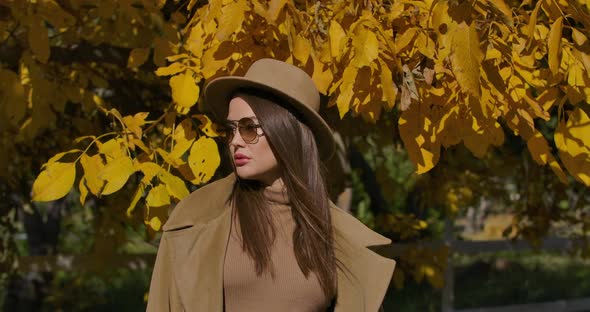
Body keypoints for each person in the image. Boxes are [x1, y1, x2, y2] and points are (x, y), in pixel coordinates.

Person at [146, 58, 396, 312]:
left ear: (287, 132)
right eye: (230, 130)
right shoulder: (195, 220)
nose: (235, 142)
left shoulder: (337, 234)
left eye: (249, 128)